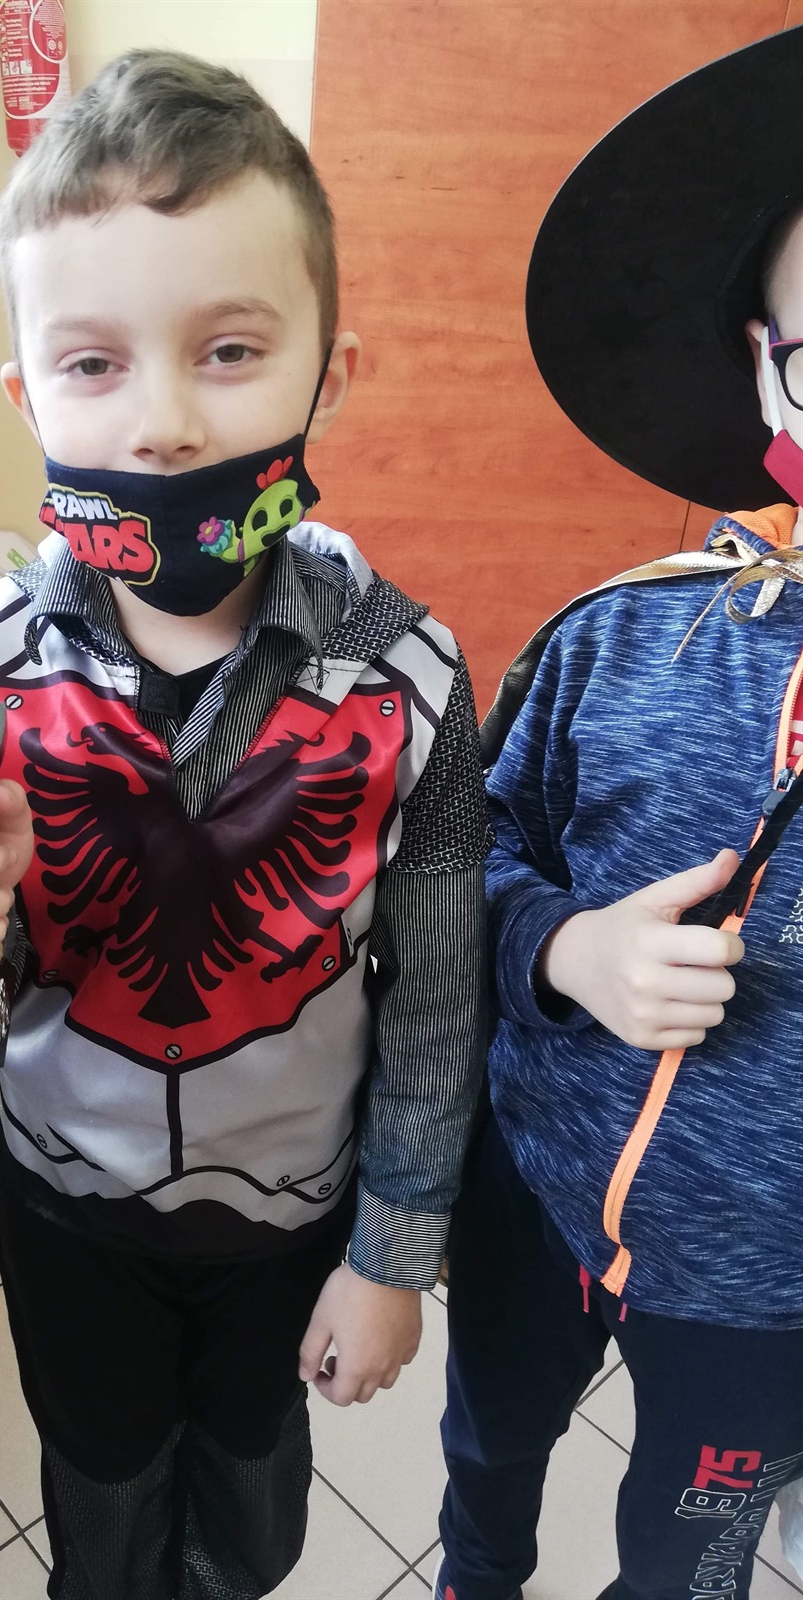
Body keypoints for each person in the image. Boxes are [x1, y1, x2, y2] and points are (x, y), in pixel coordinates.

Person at [0, 50, 492, 1600]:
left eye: (227, 350)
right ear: (24, 393)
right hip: (62, 1207)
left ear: (326, 375)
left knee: (250, 1508)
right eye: (93, 364)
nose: (159, 422)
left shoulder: (413, 677)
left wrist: (393, 1250)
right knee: (100, 1501)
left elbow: (436, 993)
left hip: (292, 1216)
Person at [434, 30, 803, 1600]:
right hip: (532, 1185)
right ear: (768, 366)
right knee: (488, 1449)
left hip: (762, 1297)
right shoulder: (617, 633)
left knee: (682, 1557)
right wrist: (566, 950)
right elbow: (464, 856)